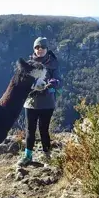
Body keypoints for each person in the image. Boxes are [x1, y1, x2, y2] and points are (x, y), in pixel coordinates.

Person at [17, 36, 61, 166]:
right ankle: (27, 156)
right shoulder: (29, 64)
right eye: (37, 47)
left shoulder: (53, 63)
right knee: (30, 130)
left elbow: (59, 81)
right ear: (34, 49)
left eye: (42, 47)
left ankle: (47, 155)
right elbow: (22, 81)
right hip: (31, 102)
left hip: (47, 103)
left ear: (47, 49)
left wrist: (54, 82)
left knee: (43, 129)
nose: (39, 49)